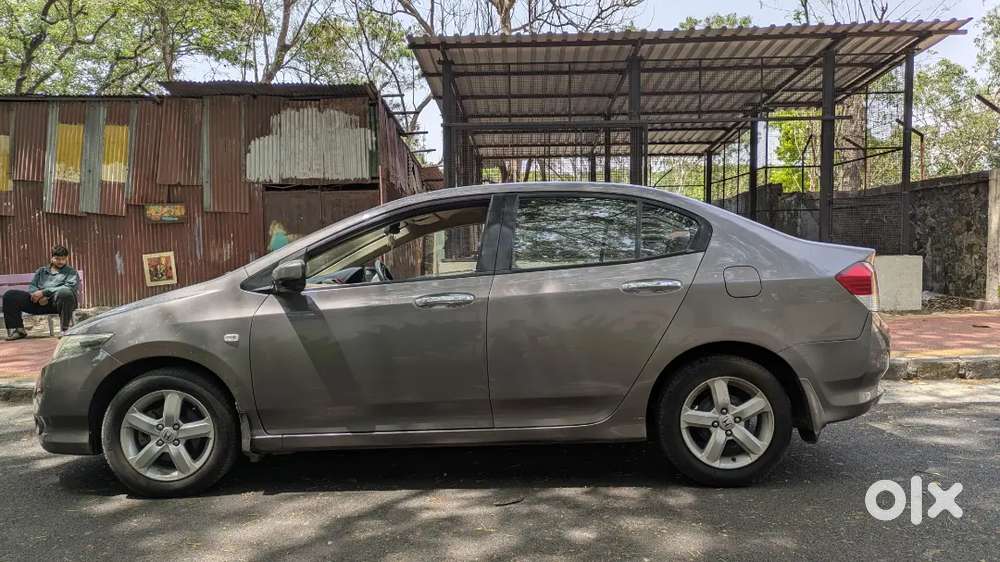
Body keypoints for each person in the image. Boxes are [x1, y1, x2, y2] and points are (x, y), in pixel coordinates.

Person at [3, 245, 79, 341]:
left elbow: (69, 287)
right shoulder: (42, 271)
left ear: (67, 258)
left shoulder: (71, 272)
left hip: (59, 304)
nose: (61, 262)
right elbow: (32, 286)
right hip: (39, 303)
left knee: (65, 293)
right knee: (10, 295)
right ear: (52, 258)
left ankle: (65, 330)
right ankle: (19, 330)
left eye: (63, 259)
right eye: (57, 259)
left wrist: (44, 292)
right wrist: (36, 295)